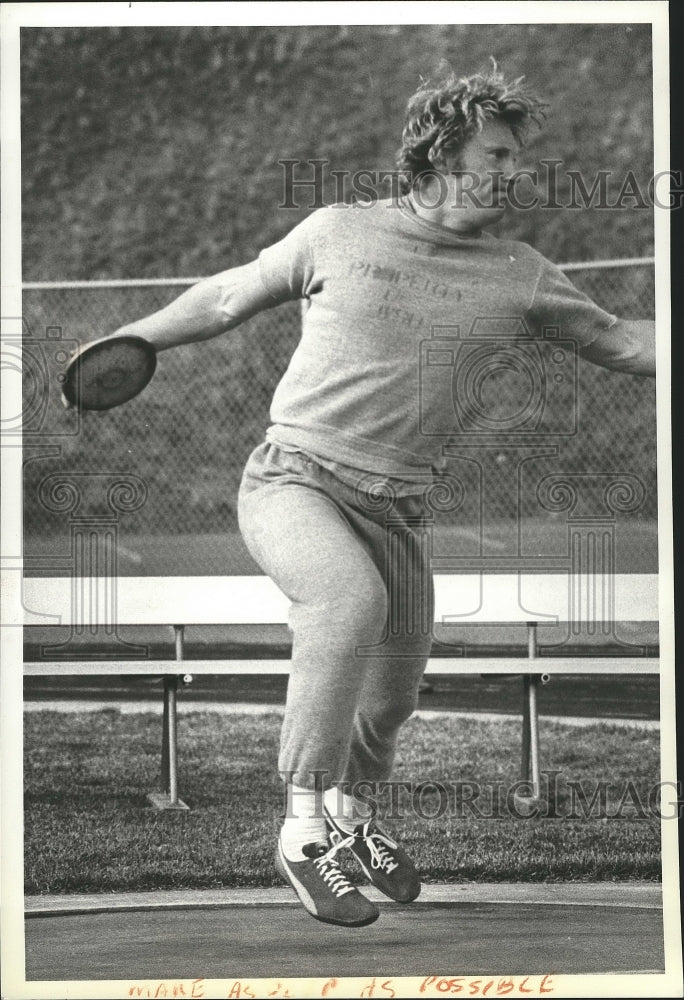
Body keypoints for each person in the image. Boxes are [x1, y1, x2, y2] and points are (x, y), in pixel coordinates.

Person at [105, 64, 655, 927]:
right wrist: (134, 336)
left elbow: (625, 343)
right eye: (499, 152)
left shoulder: (520, 272)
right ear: (442, 151)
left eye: (519, 155)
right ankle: (301, 833)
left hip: (397, 507)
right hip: (293, 480)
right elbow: (225, 296)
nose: (519, 170)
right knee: (343, 602)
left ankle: (356, 820)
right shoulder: (338, 231)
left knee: (392, 696)